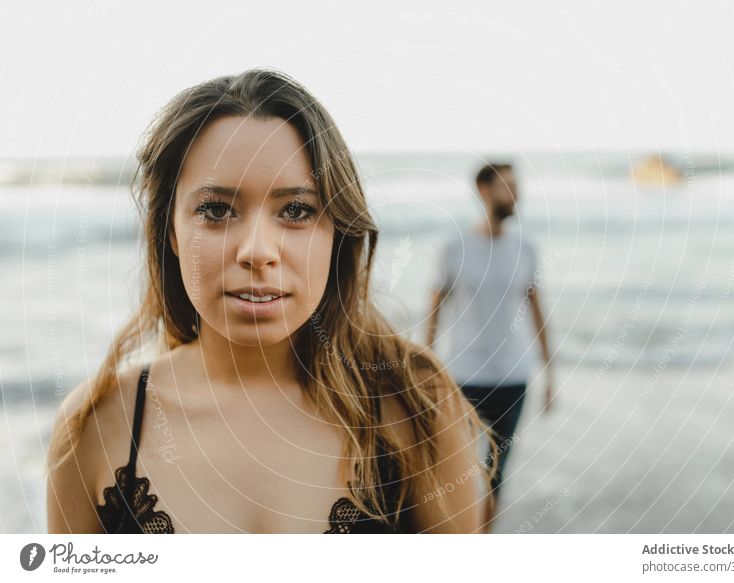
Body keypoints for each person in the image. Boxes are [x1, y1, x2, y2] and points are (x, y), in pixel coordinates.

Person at [46, 69, 496, 534]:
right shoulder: (95, 429)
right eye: (216, 210)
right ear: (171, 232)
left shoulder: (415, 407)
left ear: (336, 233)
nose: (257, 251)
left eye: (297, 210)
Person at [426, 162, 554, 506]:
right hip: (464, 377)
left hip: (513, 377)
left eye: (517, 186)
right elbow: (434, 311)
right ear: (484, 191)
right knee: (458, 472)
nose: (516, 194)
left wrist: (550, 374)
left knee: (496, 474)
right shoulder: (454, 248)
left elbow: (538, 314)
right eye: (507, 186)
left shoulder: (526, 249)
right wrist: (424, 370)